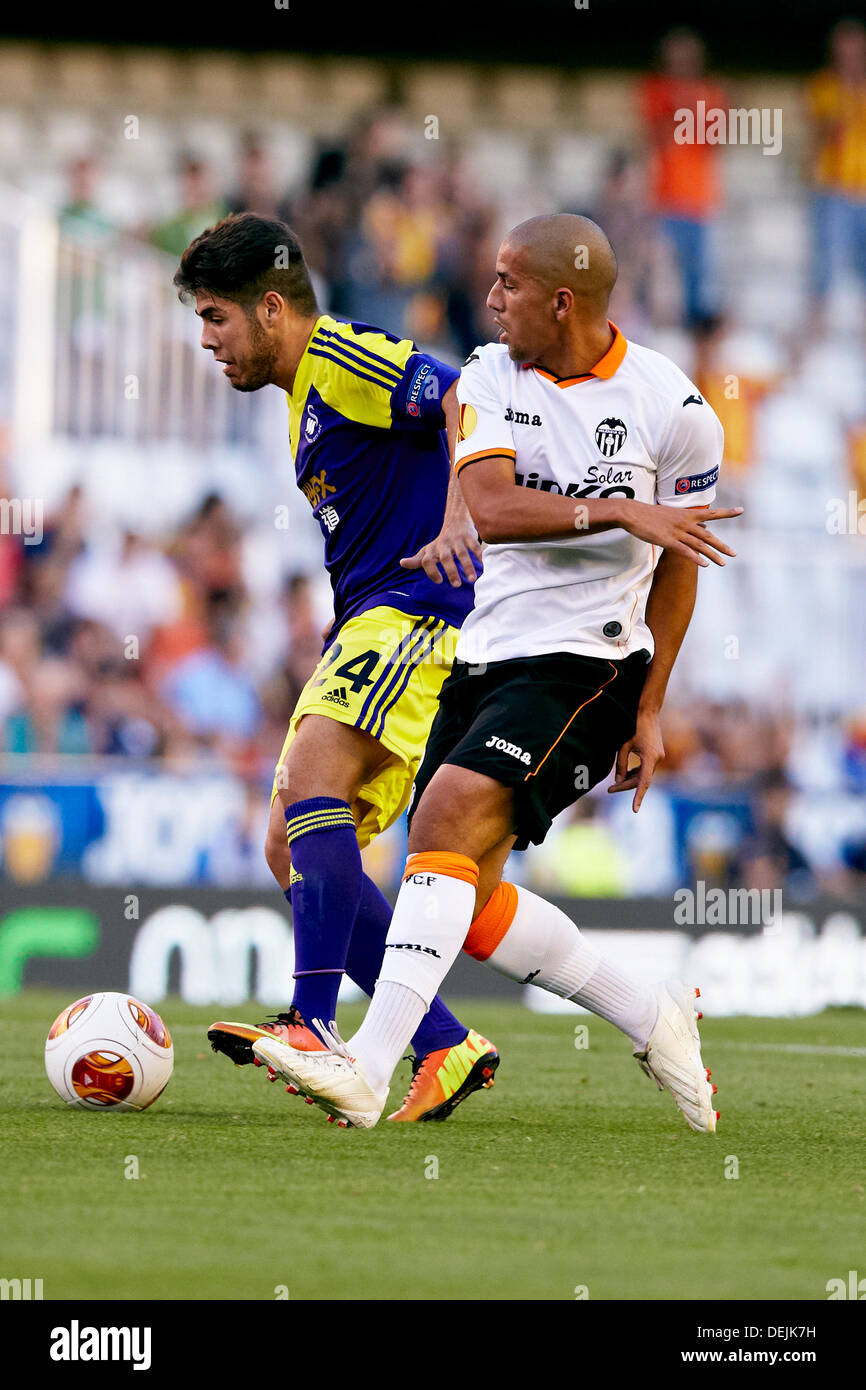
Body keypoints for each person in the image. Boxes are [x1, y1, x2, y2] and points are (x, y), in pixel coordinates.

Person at [252, 213, 742, 1132]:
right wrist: (622, 513)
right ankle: (650, 1012)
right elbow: (492, 505)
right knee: (463, 901)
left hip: (591, 665)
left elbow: (683, 560)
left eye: (509, 284)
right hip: (484, 656)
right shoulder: (485, 375)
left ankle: (365, 1062)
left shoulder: (677, 413)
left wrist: (653, 706)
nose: (490, 298)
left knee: (442, 818)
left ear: (563, 301)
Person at [173, 212, 499, 1122]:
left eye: (216, 319)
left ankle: (314, 1023)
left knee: (315, 784)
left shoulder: (343, 359)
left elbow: (460, 391)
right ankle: (442, 1041)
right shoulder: (298, 400)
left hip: (418, 615)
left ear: (270, 308)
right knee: (287, 841)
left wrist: (460, 517)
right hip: (364, 623)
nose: (207, 342)